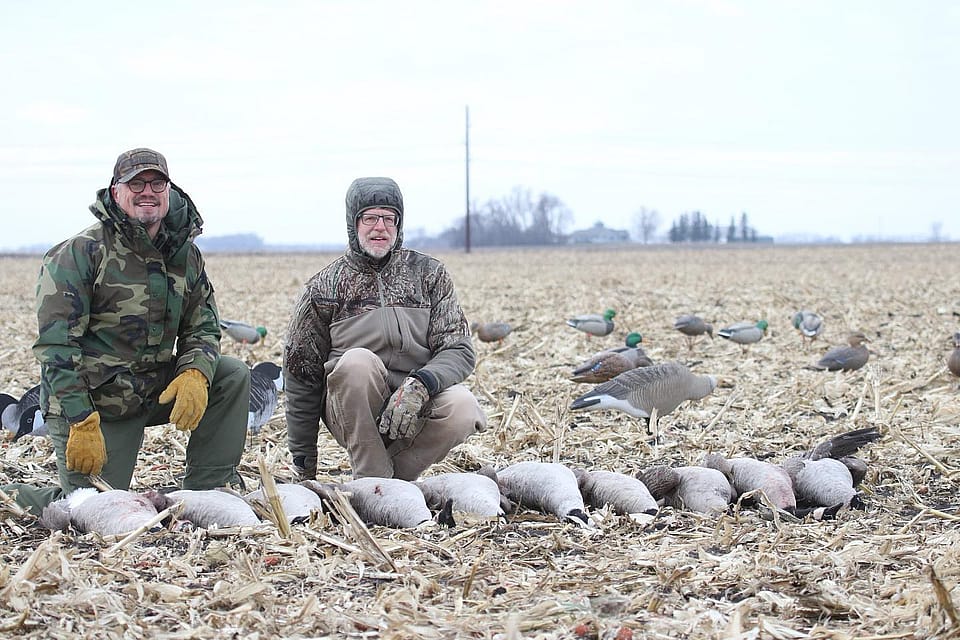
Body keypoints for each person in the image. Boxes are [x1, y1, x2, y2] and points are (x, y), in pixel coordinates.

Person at [3, 148, 250, 515]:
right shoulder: (79, 253)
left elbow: (204, 325)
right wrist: (80, 421)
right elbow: (57, 349)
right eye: (136, 182)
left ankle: (208, 489)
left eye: (156, 182)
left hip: (150, 388)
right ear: (116, 191)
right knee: (88, 508)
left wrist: (195, 372)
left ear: (168, 190)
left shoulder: (185, 255)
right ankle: (11, 495)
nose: (147, 191)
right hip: (95, 404)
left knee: (231, 374)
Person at [284, 176, 487, 481]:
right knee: (356, 364)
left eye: (389, 218)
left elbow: (457, 348)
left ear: (399, 224)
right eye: (369, 218)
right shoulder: (323, 288)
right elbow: (301, 375)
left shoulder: (429, 275)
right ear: (354, 224)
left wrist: (421, 384)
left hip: (416, 405)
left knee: (464, 406)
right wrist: (304, 463)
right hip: (354, 410)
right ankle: (373, 478)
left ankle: (388, 486)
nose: (380, 227)